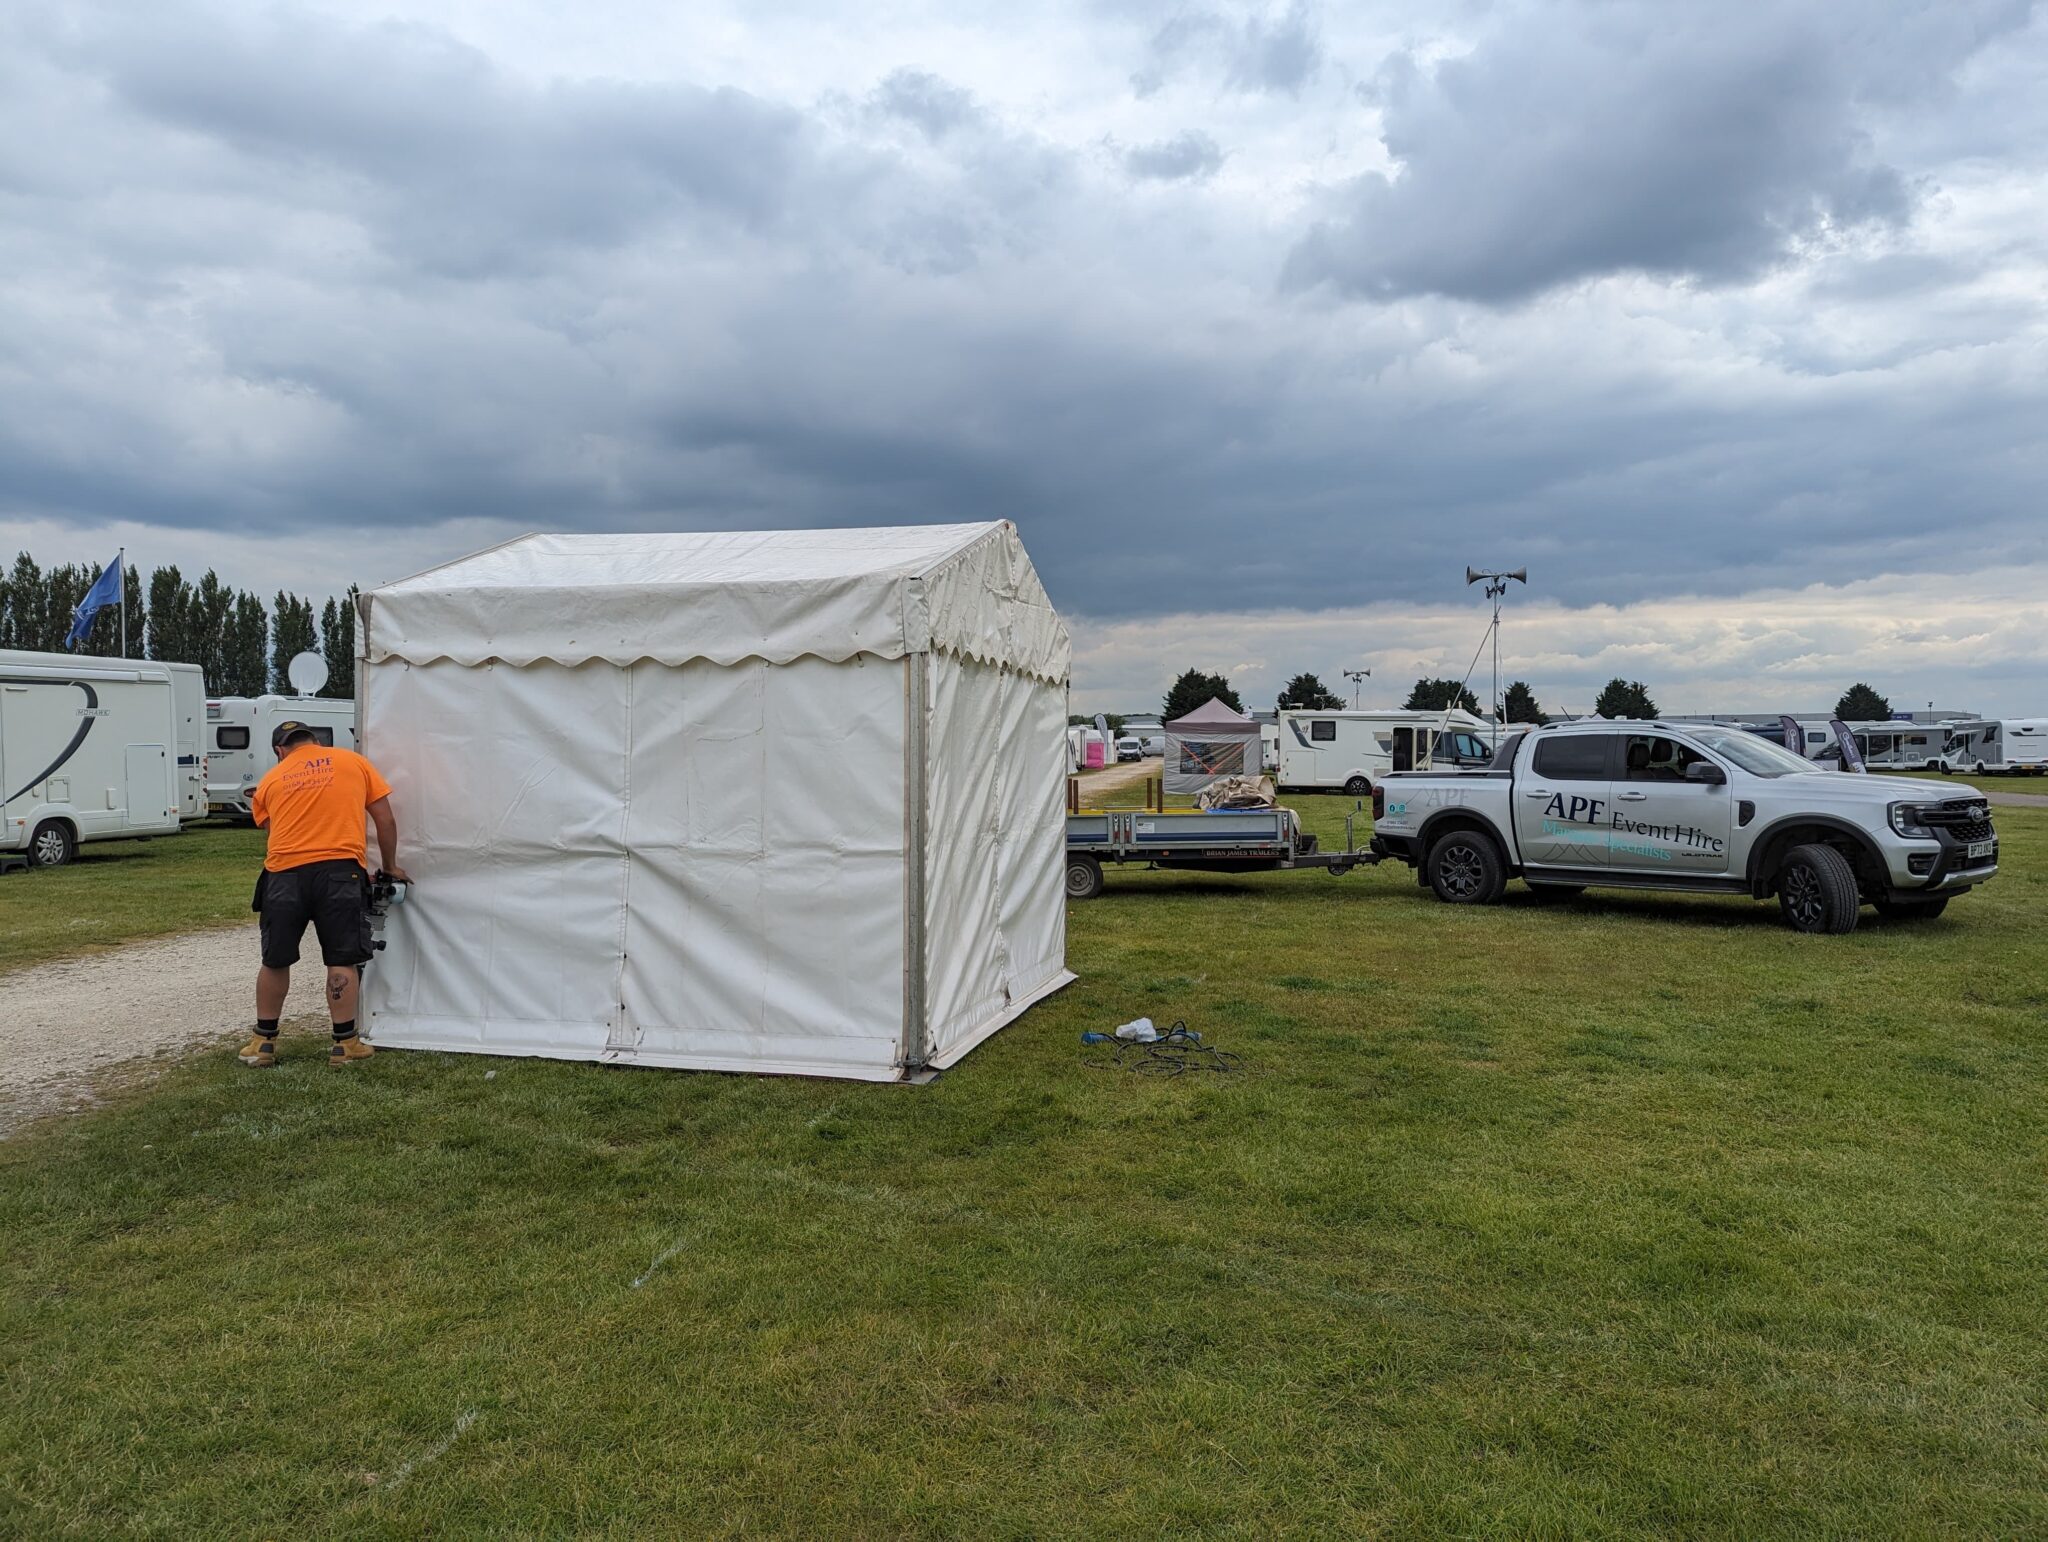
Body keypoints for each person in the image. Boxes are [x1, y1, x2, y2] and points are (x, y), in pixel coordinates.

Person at [238, 721, 410, 1068]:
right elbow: (385, 820)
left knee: (275, 959)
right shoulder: (352, 762)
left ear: (279, 751)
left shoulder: (270, 781)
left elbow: (276, 832)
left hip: (282, 876)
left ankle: (262, 1043)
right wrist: (390, 866)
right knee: (341, 957)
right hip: (339, 874)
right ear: (316, 742)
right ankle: (345, 1044)